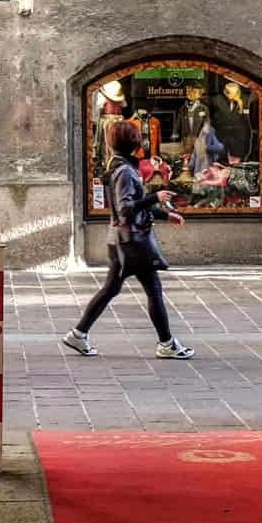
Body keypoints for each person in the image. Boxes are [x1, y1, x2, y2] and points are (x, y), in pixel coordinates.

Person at [62, 119, 194, 360]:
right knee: (153, 290)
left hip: (121, 240)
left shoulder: (118, 166)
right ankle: (166, 343)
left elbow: (131, 209)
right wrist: (155, 197)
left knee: (113, 288)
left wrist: (166, 215)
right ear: (134, 143)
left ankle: (79, 333)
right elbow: (126, 209)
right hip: (132, 241)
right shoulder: (124, 171)